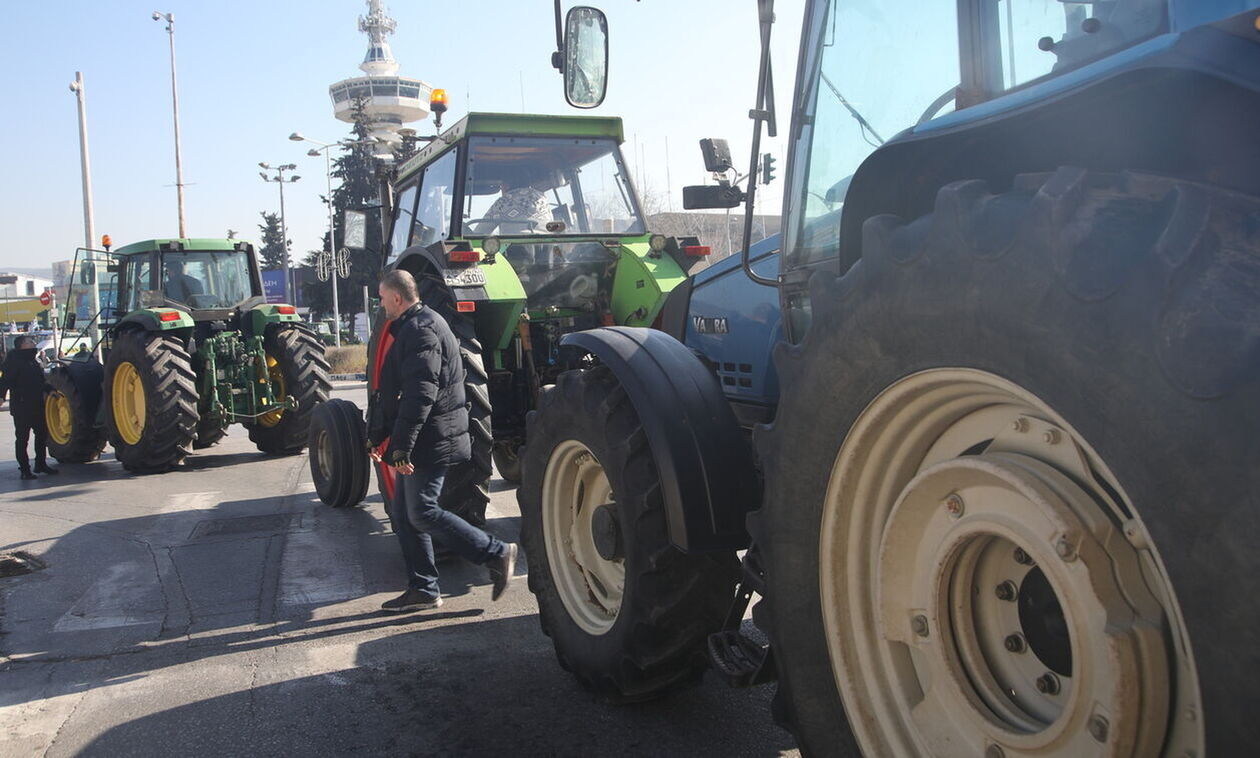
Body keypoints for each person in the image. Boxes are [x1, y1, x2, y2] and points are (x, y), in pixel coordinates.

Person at [368, 269, 518, 611]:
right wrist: (375, 436)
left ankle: (496, 553)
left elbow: (420, 395)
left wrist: (402, 445)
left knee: (422, 511)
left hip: (432, 438)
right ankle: (423, 588)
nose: (380, 304)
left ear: (396, 297)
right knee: (407, 514)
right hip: (424, 436)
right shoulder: (411, 327)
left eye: (381, 297)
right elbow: (390, 391)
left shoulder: (422, 330)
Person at [0, 336, 58, 480]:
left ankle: (40, 464)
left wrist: (50, 389)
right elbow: (5, 381)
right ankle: (25, 470)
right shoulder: (13, 362)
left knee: (41, 435)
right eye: (29, 342)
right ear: (21, 346)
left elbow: (41, 381)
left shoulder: (34, 360)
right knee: (22, 439)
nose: (33, 343)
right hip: (21, 406)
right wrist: (1, 396)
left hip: (37, 405)